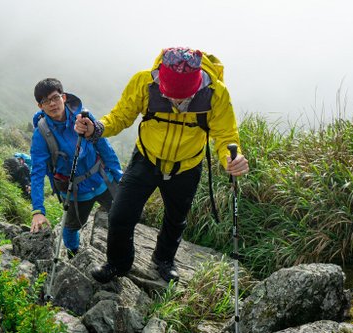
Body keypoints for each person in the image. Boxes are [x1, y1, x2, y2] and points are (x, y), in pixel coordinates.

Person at [74, 47, 249, 283]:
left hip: (187, 165)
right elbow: (120, 116)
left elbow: (226, 134)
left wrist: (231, 158)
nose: (176, 101)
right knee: (120, 215)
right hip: (146, 158)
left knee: (176, 219)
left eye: (183, 97)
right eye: (169, 95)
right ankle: (118, 264)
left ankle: (163, 259)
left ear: (196, 85)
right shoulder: (144, 82)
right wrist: (97, 128)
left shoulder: (216, 93)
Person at [29, 78, 123, 258]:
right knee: (71, 228)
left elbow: (103, 145)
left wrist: (118, 174)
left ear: (63, 97)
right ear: (40, 106)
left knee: (122, 216)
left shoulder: (83, 116)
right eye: (45, 101)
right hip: (74, 192)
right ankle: (74, 254)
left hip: (102, 179)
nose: (52, 104)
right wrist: (38, 211)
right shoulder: (41, 135)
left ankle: (120, 254)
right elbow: (37, 173)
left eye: (55, 97)